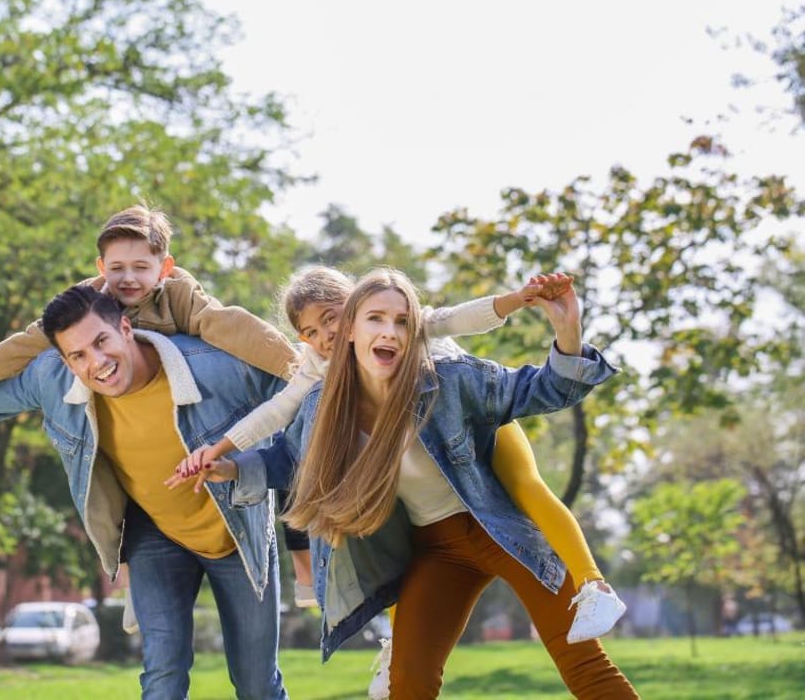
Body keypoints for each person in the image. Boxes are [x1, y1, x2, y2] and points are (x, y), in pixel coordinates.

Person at [183, 268, 639, 699]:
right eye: (375, 319)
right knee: (407, 684)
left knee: (583, 665)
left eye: (402, 321)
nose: (389, 332)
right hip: (436, 551)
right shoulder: (324, 404)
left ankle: (594, 585)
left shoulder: (450, 380)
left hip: (501, 531)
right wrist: (232, 468)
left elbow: (543, 389)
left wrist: (567, 331)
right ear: (351, 330)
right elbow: (290, 458)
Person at [0, 285, 290, 700]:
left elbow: (301, 395)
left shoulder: (211, 365)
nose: (96, 364)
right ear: (65, 361)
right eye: (78, 356)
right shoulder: (52, 379)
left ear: (125, 328)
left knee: (256, 684)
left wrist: (263, 470)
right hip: (156, 533)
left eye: (101, 342)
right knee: (163, 676)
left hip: (238, 530)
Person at [0, 204, 299, 634]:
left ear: (165, 268)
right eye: (117, 268)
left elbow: (234, 327)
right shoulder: (89, 303)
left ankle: (304, 558)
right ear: (101, 268)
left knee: (285, 459)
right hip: (127, 428)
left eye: (141, 267)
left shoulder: (181, 296)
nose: (128, 279)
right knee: (123, 491)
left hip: (188, 418)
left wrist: (298, 370)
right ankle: (139, 582)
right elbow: (25, 344)